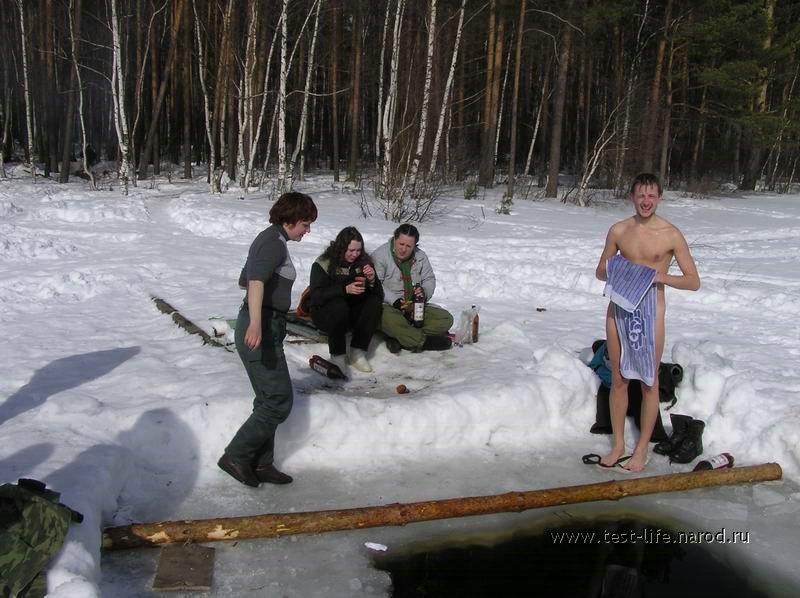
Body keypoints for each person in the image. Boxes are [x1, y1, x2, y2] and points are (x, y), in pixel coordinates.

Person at [595, 173, 700, 472]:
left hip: (651, 312)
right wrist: (616, 269)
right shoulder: (618, 230)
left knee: (649, 382)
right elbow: (600, 271)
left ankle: (641, 449)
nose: (646, 201)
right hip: (619, 311)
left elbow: (693, 281)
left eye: (651, 196)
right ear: (632, 196)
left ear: (659, 197)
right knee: (619, 379)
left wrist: (657, 276)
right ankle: (618, 445)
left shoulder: (671, 234)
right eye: (641, 195)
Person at [218, 192, 317, 488]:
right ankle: (236, 456)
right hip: (260, 324)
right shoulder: (273, 242)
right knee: (279, 400)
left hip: (267, 324)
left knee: (268, 398)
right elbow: (255, 281)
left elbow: (245, 278)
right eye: (305, 223)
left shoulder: (272, 241)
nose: (307, 230)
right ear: (291, 220)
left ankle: (261, 463)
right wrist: (257, 322)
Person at [306, 227, 383, 373]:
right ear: (341, 248)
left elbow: (379, 295)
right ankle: (338, 355)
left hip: (351, 314)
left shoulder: (363, 263)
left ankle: (358, 352)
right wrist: (343, 290)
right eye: (351, 250)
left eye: (358, 250)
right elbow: (316, 295)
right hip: (326, 314)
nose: (355, 255)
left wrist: (372, 280)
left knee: (373, 303)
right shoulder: (324, 263)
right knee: (338, 304)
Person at [373, 224, 454, 353]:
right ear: (395, 239)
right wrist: (395, 301)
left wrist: (424, 292)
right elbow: (376, 284)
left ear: (414, 245)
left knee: (446, 319)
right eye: (401, 244)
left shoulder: (420, 257)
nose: (403, 249)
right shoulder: (380, 255)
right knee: (388, 319)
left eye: (408, 246)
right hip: (390, 306)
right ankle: (423, 342)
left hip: (414, 307)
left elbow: (429, 279)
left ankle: (399, 336)